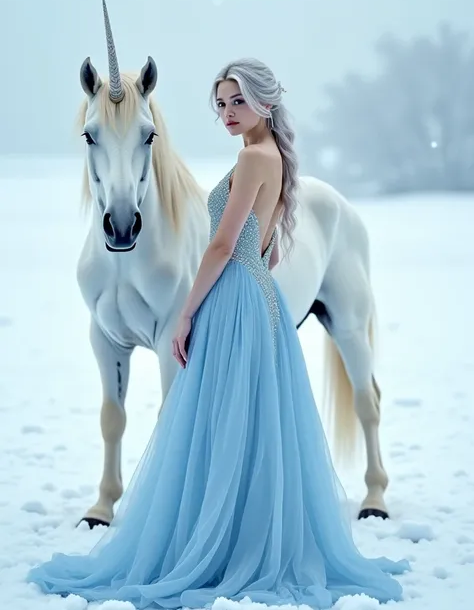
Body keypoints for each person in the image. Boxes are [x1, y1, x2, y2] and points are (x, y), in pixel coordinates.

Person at [26, 58, 410, 608]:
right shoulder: (269, 156)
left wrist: (185, 313)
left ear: (266, 104)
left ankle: (212, 534)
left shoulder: (253, 158)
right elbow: (269, 246)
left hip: (233, 297)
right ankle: (241, 530)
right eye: (222, 104)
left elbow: (222, 246)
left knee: (217, 416)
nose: (228, 113)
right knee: (252, 420)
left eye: (239, 102)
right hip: (258, 294)